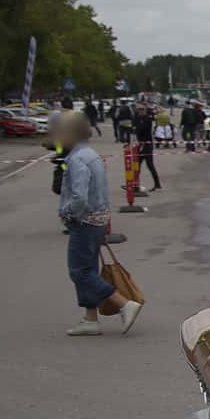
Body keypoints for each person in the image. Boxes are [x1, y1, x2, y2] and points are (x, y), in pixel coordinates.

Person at [57, 112, 141, 338]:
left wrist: (67, 212)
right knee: (88, 269)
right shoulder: (90, 154)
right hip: (98, 219)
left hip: (84, 220)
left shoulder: (77, 159)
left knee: (79, 271)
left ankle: (124, 304)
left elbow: (80, 197)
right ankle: (90, 319)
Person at [134, 110, 162, 191]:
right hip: (141, 145)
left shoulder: (147, 119)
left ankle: (157, 183)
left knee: (149, 165)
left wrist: (136, 127)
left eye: (142, 110)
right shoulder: (138, 118)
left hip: (146, 145)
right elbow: (135, 128)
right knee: (137, 165)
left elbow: (140, 130)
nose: (140, 112)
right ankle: (136, 184)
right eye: (139, 110)